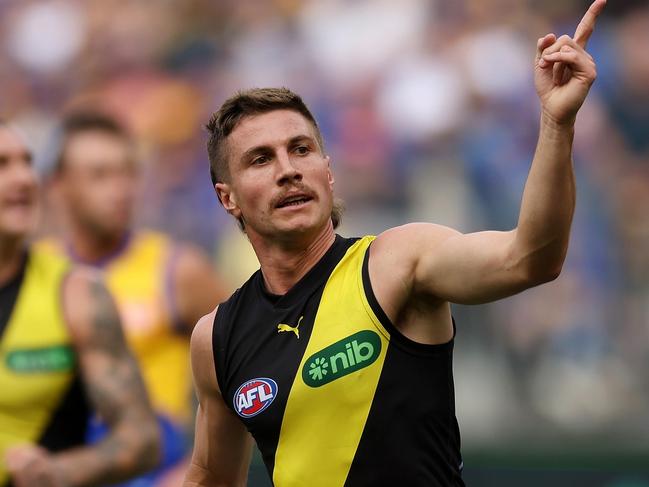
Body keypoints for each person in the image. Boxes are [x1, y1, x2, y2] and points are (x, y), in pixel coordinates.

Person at [183, 1, 606, 486]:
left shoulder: (396, 262)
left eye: (301, 149)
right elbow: (211, 477)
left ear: (328, 170)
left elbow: (530, 258)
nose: (288, 169)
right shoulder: (215, 338)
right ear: (227, 198)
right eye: (261, 159)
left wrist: (556, 123)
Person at [38, 111, 229, 486]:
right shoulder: (36, 274)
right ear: (58, 186)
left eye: (128, 172)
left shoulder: (177, 270)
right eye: (100, 175)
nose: (121, 188)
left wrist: (196, 471)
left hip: (155, 470)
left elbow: (255, 370)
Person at [0, 121, 160, 486]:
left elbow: (142, 439)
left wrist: (59, 472)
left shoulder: (76, 293)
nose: (24, 178)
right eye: (2, 165)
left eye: (27, 163)